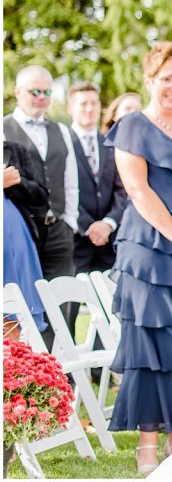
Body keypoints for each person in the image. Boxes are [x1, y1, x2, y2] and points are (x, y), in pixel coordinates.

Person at [106, 43, 172, 476]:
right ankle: (148, 444)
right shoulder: (133, 124)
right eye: (166, 78)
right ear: (149, 80)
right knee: (151, 345)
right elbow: (137, 189)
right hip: (148, 251)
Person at [3, 65, 80, 347]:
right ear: (17, 92)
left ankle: (59, 374)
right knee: (22, 306)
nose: (41, 97)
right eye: (35, 91)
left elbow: (70, 180)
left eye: (47, 92)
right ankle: (26, 376)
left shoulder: (60, 129)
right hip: (22, 231)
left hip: (58, 229)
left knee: (62, 307)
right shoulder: (3, 128)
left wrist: (69, 221)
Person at [68, 82, 127, 275]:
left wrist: (108, 223)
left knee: (110, 304)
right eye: (83, 103)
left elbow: (121, 189)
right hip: (75, 241)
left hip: (109, 241)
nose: (90, 108)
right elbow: (60, 189)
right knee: (69, 304)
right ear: (70, 108)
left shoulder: (111, 143)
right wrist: (89, 227)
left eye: (94, 103)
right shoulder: (62, 143)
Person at [3, 138, 50, 335]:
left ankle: (17, 363)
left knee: (17, 315)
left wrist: (18, 182)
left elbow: (40, 196)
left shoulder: (14, 149)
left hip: (15, 237)